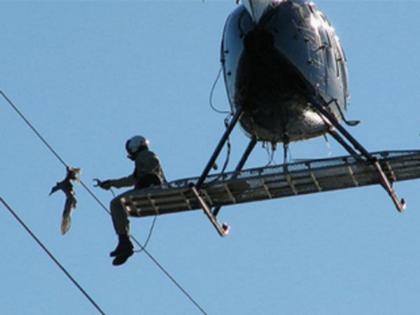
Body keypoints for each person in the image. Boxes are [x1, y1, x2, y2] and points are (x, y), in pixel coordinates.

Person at [97, 135, 165, 266]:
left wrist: (146, 182)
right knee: (118, 204)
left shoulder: (145, 156)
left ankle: (124, 242)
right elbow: (133, 179)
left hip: (149, 190)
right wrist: (111, 183)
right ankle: (124, 242)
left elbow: (144, 176)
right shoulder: (145, 157)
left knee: (116, 204)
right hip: (149, 189)